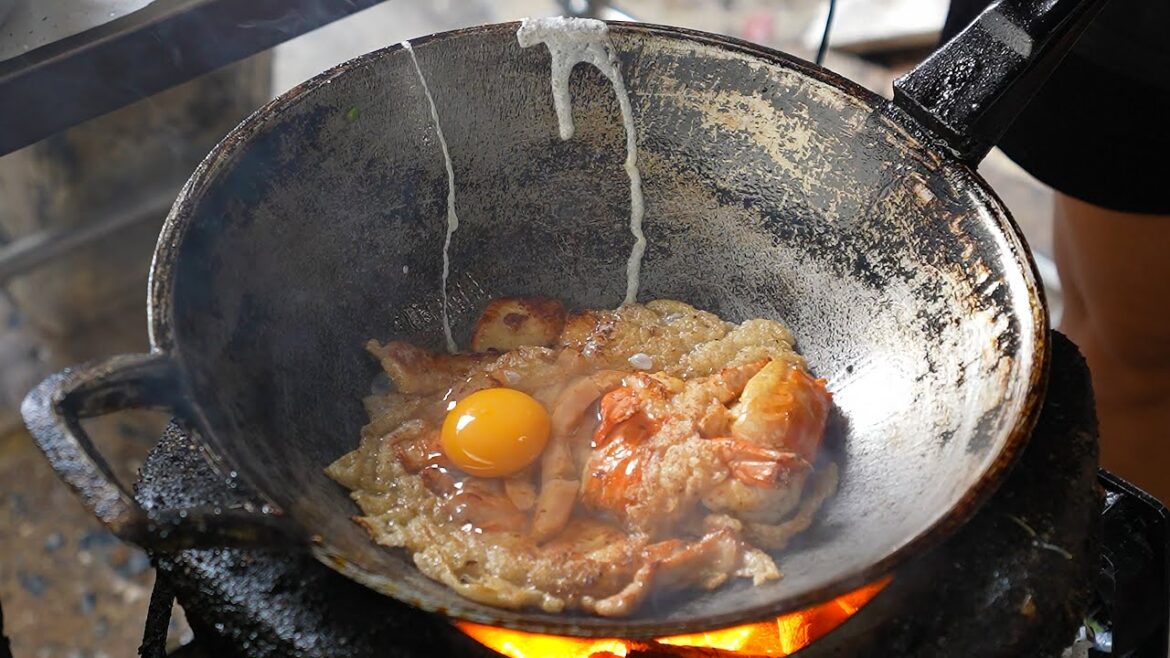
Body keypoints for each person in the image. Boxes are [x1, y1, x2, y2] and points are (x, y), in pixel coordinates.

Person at [940, 0, 1170, 501]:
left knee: (1114, 334)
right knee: (1138, 355)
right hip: (1132, 47)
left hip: (1122, 42)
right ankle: (1089, 549)